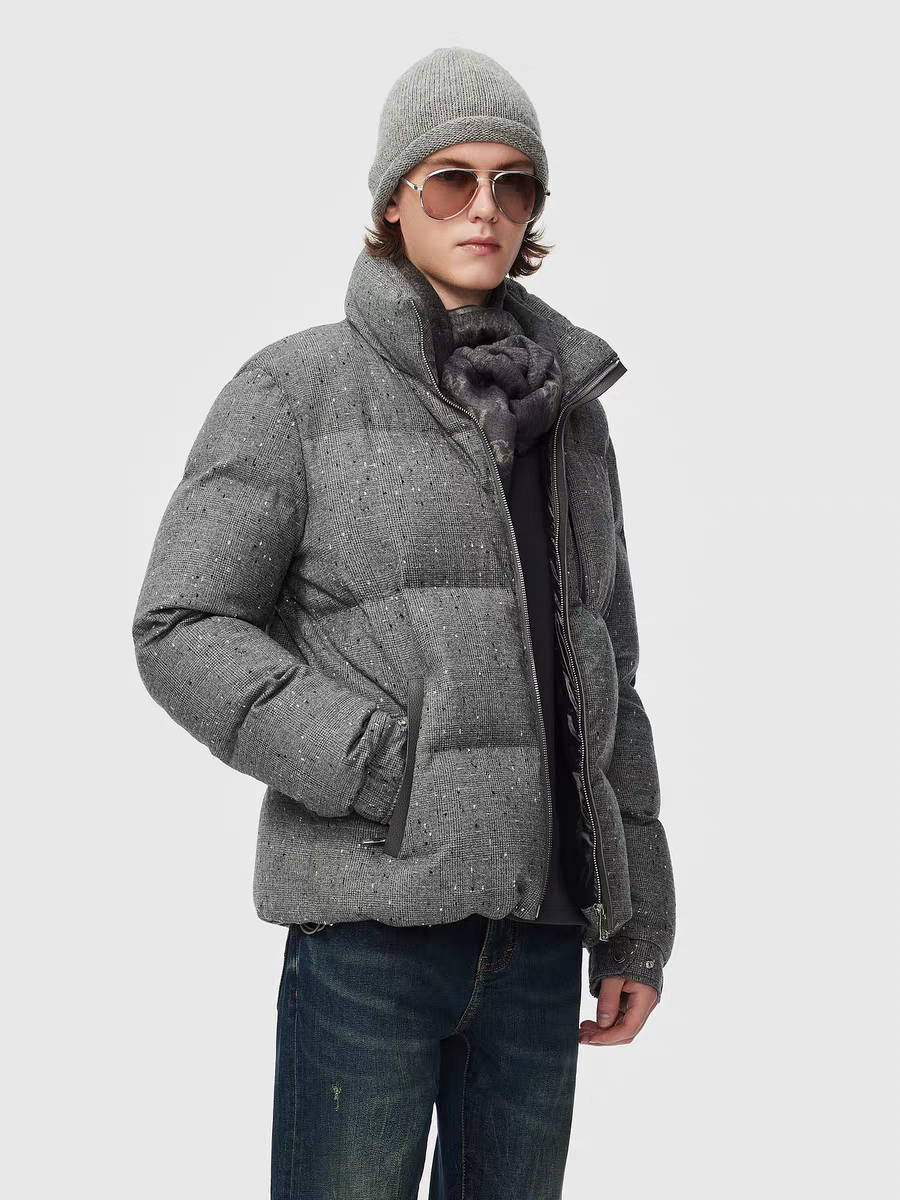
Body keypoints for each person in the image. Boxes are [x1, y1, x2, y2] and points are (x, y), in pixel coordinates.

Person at [132, 45, 676, 1200]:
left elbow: (607, 677)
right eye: (451, 178)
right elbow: (180, 623)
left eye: (513, 184)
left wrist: (636, 925)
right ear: (394, 199)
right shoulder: (294, 393)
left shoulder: (571, 419)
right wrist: (373, 762)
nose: (484, 208)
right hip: (370, 931)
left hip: (541, 943)